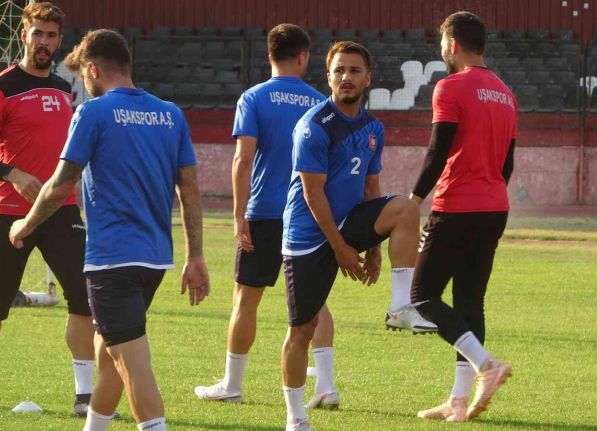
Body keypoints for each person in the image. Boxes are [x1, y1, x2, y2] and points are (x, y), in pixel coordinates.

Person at [9, 29, 210, 431]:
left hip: (112, 261)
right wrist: (195, 255)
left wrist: (25, 225)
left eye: (83, 76)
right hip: (155, 259)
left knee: (131, 362)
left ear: (93, 69)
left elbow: (61, 183)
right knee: (109, 353)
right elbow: (189, 189)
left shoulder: (93, 113)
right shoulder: (170, 114)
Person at [279, 40, 433, 431]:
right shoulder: (314, 126)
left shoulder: (373, 128)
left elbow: (371, 188)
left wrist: (375, 248)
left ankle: (400, 306)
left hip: (349, 221)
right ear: (328, 77)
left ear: (368, 78)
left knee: (406, 208)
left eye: (354, 70)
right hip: (309, 236)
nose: (346, 77)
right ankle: (295, 417)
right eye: (339, 70)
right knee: (302, 329)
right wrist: (342, 248)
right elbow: (313, 195)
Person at [193, 23, 341, 407]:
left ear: (270, 55)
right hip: (307, 214)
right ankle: (326, 386)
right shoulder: (321, 104)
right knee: (315, 300)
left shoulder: (254, 97)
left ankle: (232, 384)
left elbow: (243, 159)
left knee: (246, 299)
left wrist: (238, 214)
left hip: (264, 212)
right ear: (303, 57)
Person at [409, 12, 516, 422]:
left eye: (442, 43)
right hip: (494, 207)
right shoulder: (506, 93)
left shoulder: (450, 86)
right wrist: (490, 189)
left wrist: (414, 199)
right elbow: (508, 163)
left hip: (457, 206)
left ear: (453, 44)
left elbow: (438, 151)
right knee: (470, 302)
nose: (442, 50)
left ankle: (487, 364)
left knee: (422, 296)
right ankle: (458, 400)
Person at [0, 1, 96, 416]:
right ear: (24, 35)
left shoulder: (64, 88)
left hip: (62, 210)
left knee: (84, 298)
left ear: (59, 41)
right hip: (8, 212)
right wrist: (12, 174)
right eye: (37, 33)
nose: (43, 41)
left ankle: (85, 396)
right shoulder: (4, 85)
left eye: (51, 35)